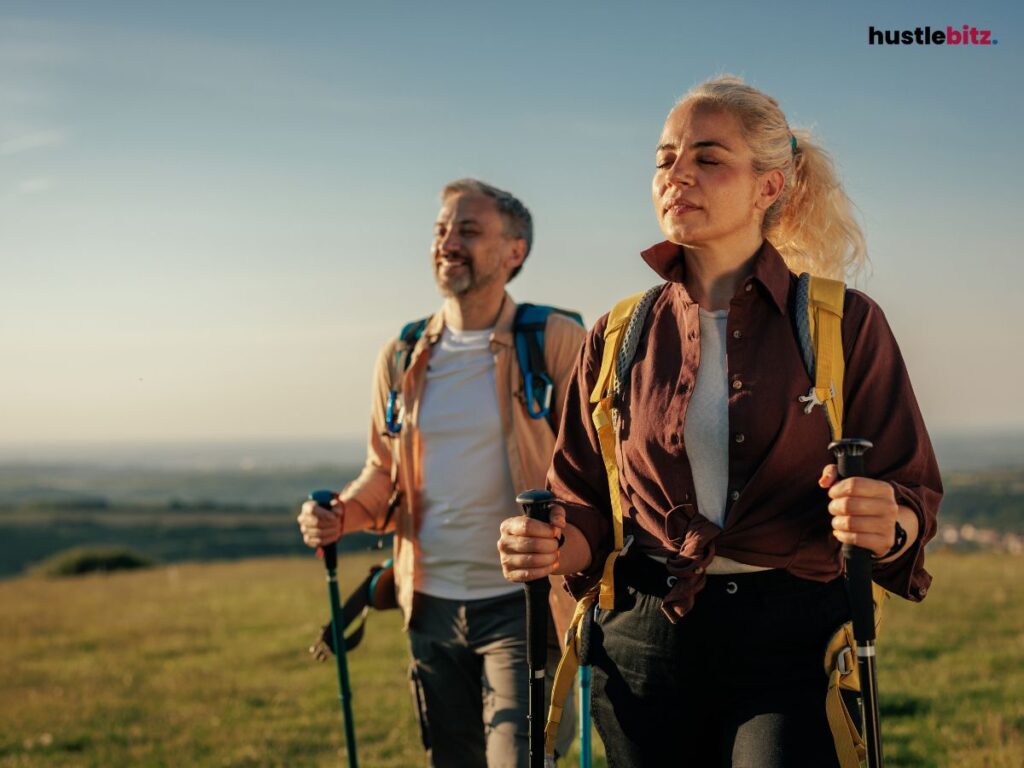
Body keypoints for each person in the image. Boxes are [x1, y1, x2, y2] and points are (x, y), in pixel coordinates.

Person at [497, 76, 942, 767]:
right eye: (665, 157)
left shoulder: (845, 323)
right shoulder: (618, 333)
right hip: (641, 645)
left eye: (708, 158)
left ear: (769, 187)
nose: (677, 175)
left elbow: (909, 488)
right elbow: (584, 503)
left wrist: (891, 522)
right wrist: (550, 545)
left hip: (793, 646)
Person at [297, 178, 584, 767]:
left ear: (514, 251)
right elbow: (384, 470)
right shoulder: (403, 353)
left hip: (523, 602)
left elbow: (592, 468)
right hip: (426, 603)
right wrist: (342, 514)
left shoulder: (554, 341)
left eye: (468, 230)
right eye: (441, 230)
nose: (447, 242)